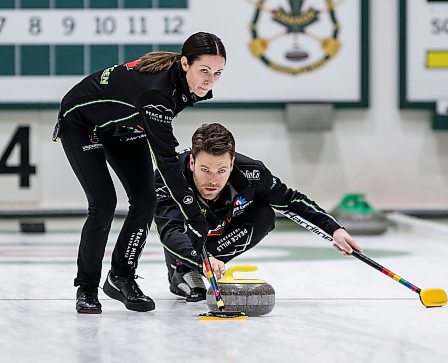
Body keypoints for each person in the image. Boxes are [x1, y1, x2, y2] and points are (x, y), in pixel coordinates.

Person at [53, 32, 226, 314]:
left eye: (218, 73)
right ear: (185, 64)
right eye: (204, 71)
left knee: (146, 201)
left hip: (124, 124)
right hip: (81, 122)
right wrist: (194, 215)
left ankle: (121, 276)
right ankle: (86, 287)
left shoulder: (183, 85)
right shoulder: (157, 94)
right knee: (104, 204)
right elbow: (168, 164)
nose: (210, 80)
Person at [154, 123, 362, 302]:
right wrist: (200, 258)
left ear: (232, 163)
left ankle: (205, 264)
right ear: (192, 162)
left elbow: (291, 201)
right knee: (182, 232)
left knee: (264, 215)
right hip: (186, 242)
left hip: (217, 237)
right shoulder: (168, 177)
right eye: (205, 170)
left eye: (221, 171)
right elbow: (170, 231)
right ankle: (184, 269)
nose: (213, 181)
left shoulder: (252, 173)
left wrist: (334, 229)